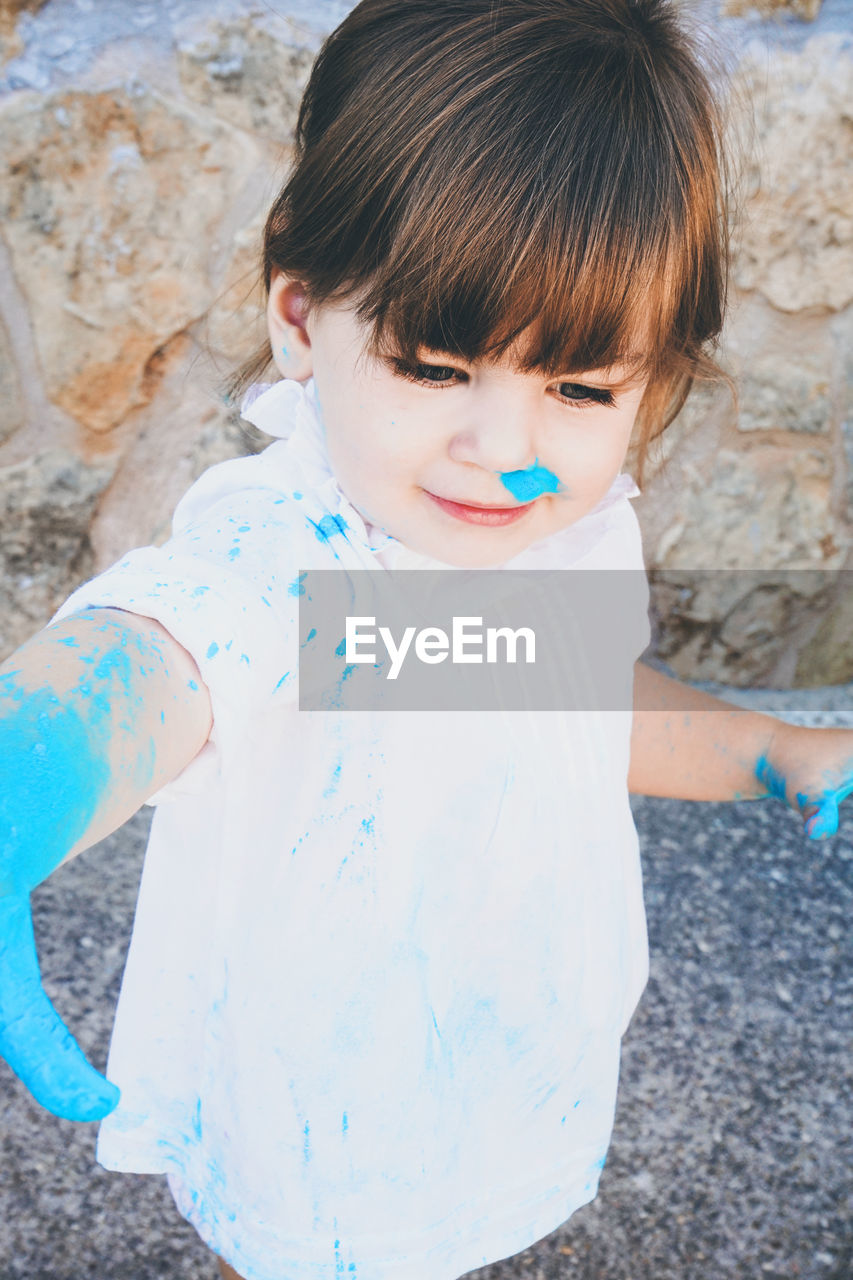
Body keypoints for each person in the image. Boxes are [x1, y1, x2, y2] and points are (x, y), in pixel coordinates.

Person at [1, 1, 851, 1278]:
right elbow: (171, 648)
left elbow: (554, 691)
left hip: (500, 1054)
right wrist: (28, 776)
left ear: (653, 380)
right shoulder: (301, 554)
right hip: (317, 1110)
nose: (500, 450)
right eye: (435, 364)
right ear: (301, 317)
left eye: (577, 387)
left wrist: (766, 746)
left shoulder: (543, 526)